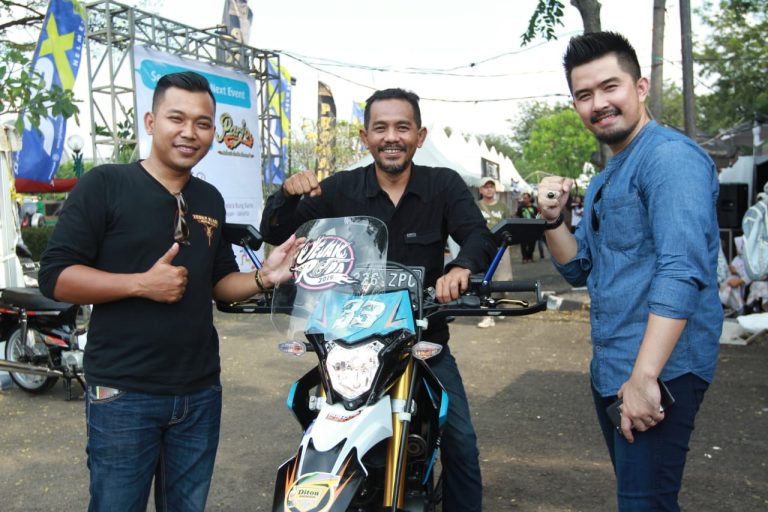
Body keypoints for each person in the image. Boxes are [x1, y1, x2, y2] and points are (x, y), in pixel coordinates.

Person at [38, 71, 302, 512]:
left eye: (203, 123)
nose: (190, 132)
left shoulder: (210, 199)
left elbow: (220, 285)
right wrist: (140, 283)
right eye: (176, 118)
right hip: (123, 392)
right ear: (150, 121)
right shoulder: (105, 184)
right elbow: (55, 277)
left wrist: (265, 278)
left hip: (199, 391)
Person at [259, 88, 497, 512]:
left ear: (419, 136)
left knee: (460, 441)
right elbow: (277, 233)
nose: (391, 137)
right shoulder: (339, 189)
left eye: (402, 127)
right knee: (317, 425)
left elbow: (478, 234)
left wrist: (461, 267)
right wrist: (288, 193)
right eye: (380, 128)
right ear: (365, 136)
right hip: (350, 346)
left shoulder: (443, 185)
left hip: (423, 342)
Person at [537, 32, 721, 510]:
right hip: (615, 368)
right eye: (584, 94)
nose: (598, 103)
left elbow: (681, 272)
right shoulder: (607, 177)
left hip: (660, 372)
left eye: (609, 87)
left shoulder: (669, 159)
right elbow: (579, 269)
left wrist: (644, 378)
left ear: (640, 87)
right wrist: (553, 219)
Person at [476, 177, 512, 328]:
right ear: (481, 190)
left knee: (503, 282)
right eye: (486, 187)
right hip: (483, 248)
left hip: (501, 248)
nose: (489, 189)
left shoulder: (502, 206)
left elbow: (510, 226)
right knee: (484, 282)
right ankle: (487, 316)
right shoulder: (476, 206)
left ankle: (501, 306)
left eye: (491, 186)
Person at [516, 192, 537, 262]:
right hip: (523, 228)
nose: (525, 199)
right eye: (524, 198)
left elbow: (538, 217)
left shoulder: (534, 208)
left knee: (532, 244)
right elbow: (517, 216)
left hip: (532, 229)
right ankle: (524, 258)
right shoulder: (520, 207)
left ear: (530, 198)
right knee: (523, 244)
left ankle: (530, 256)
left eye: (526, 198)